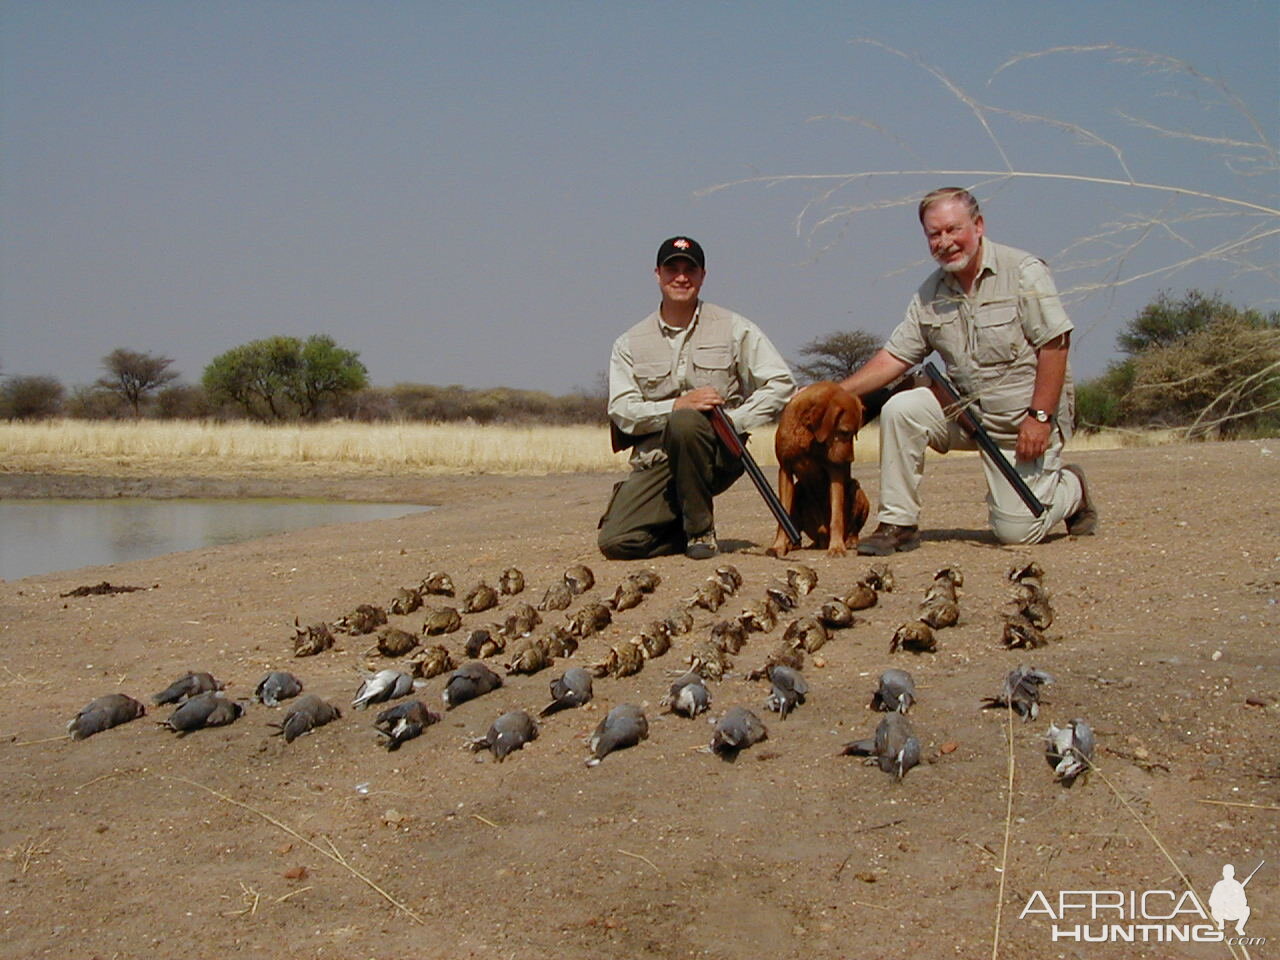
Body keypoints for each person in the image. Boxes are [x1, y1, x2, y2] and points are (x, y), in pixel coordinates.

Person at [840, 187, 1097, 554]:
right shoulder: (929, 293)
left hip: (1020, 427)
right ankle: (898, 523)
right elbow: (895, 357)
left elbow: (1055, 345)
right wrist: (833, 393)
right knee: (901, 409)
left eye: (953, 229)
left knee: (1017, 533)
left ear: (978, 226)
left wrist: (1039, 417)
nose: (945, 242)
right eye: (934, 234)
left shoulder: (1023, 272)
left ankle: (1071, 489)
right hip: (967, 417)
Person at [598, 236, 796, 560]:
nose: (681, 277)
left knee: (687, 422)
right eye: (671, 268)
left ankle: (700, 530)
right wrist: (675, 406)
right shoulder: (628, 342)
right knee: (617, 543)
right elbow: (622, 411)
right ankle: (680, 531)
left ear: (703, 276)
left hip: (718, 455)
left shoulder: (735, 327)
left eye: (689, 270)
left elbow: (781, 382)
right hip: (659, 462)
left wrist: (734, 421)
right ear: (657, 274)